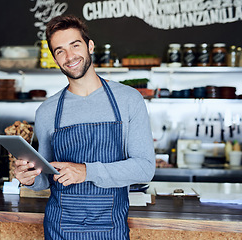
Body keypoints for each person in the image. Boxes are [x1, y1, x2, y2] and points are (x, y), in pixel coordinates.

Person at [14, 15, 155, 239]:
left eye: (75, 45)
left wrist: (87, 171)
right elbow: (45, 177)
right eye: (60, 51)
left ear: (90, 46)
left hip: (111, 229)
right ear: (55, 59)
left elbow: (145, 169)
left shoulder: (128, 100)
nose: (69, 57)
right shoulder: (47, 111)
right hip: (61, 229)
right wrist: (29, 177)